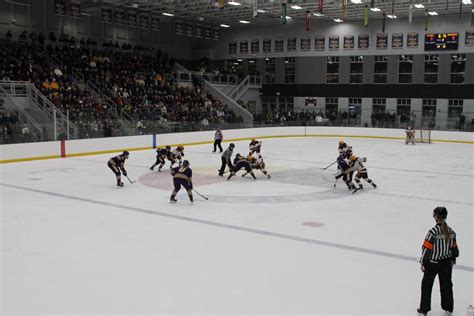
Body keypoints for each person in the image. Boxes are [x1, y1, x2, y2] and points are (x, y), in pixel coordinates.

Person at [417, 207, 459, 316]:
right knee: (446, 286)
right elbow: (454, 249)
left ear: (435, 217)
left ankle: (424, 309)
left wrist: (422, 262)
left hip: (433, 264)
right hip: (446, 263)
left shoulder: (432, 232)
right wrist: (453, 259)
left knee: (426, 286)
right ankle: (448, 307)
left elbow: (426, 249)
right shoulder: (451, 232)